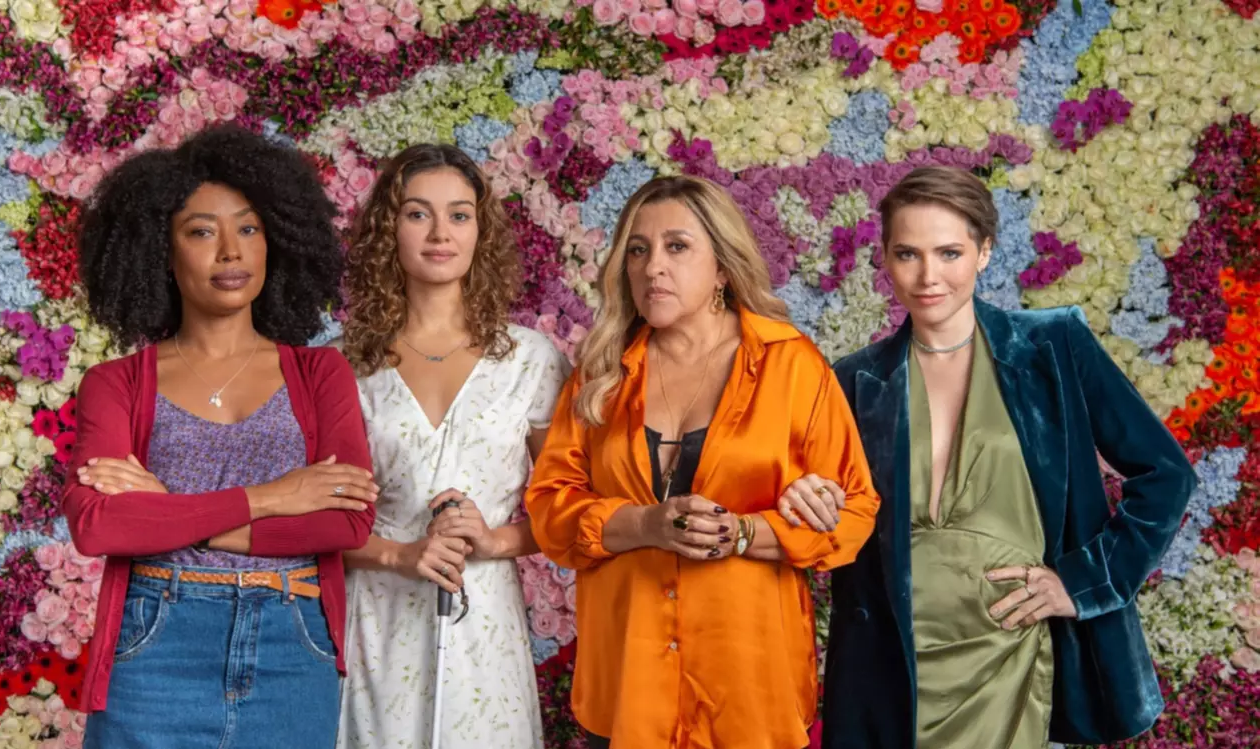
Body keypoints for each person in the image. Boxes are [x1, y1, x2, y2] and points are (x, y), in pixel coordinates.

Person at [784, 166, 1196, 748]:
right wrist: (804, 495)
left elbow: (1166, 474)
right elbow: (831, 510)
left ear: (984, 252)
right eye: (908, 254)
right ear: (886, 259)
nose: (928, 276)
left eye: (949, 253)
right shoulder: (854, 379)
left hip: (1012, 656)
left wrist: (1081, 582)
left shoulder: (1053, 346)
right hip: (891, 667)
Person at [524, 175, 880, 749]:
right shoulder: (601, 375)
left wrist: (745, 533)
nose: (653, 267)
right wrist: (645, 524)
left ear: (722, 268)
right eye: (638, 250)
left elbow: (855, 511)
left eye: (677, 247)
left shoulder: (791, 366)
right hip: (628, 688)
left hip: (749, 689)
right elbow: (549, 509)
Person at [66, 124, 378, 749]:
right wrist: (274, 496)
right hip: (155, 649)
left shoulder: (320, 372)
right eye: (202, 231)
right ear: (162, 250)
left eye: (250, 229)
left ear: (276, 241)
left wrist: (172, 512)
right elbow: (99, 526)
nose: (231, 252)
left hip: (293, 648)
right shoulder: (117, 383)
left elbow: (347, 523)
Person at [336, 143, 568, 749]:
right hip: (377, 621)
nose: (440, 233)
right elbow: (313, 520)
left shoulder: (530, 360)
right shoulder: (344, 363)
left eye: (459, 215)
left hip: (484, 624)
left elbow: (574, 509)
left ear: (480, 231)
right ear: (389, 230)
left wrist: (494, 541)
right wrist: (398, 554)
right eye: (418, 213)